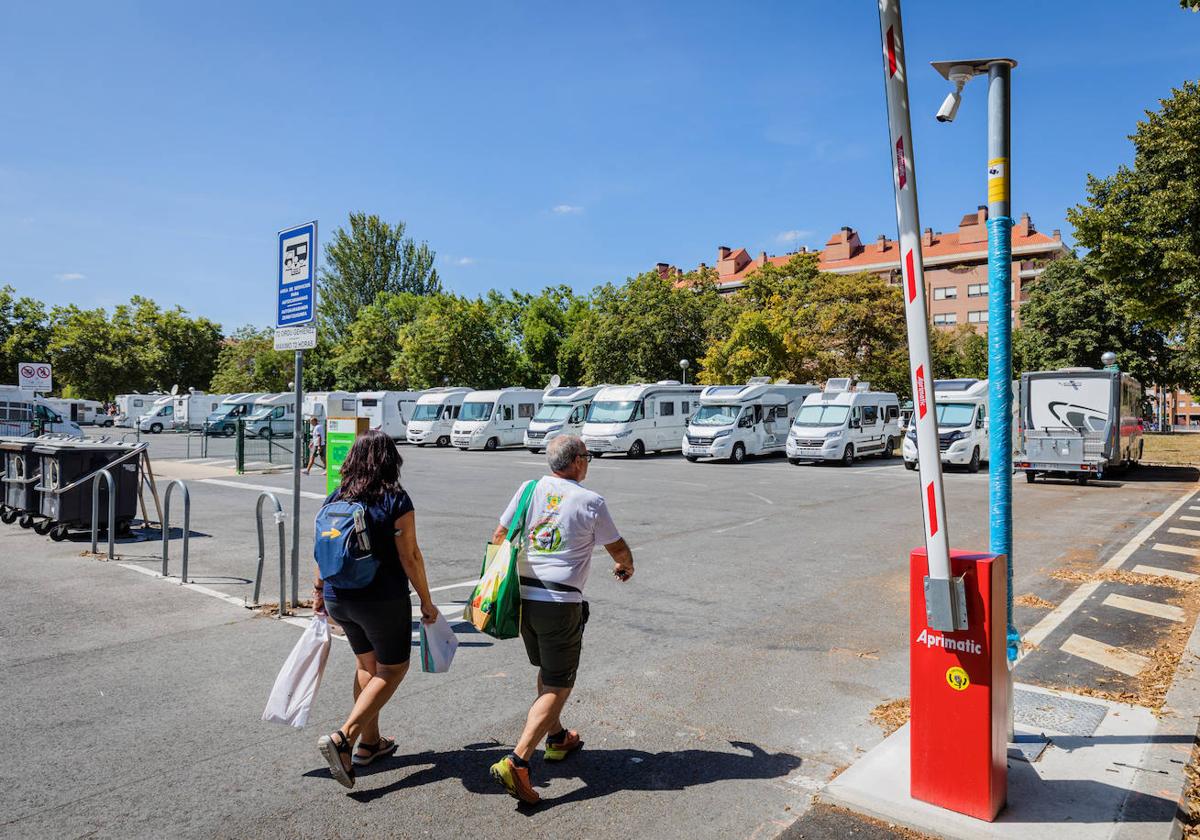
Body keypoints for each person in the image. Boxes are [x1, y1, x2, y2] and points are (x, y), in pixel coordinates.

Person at [488, 434, 635, 805]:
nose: (588, 462)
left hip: (521, 597)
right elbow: (616, 547)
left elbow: (500, 535)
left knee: (547, 670)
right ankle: (518, 761)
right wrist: (625, 565)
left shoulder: (528, 489)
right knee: (558, 683)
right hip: (559, 602)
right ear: (577, 462)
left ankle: (557, 738)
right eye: (588, 456)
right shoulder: (590, 501)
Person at [312, 430, 439, 789]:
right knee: (394, 668)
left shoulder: (335, 497)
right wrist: (427, 602)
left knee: (366, 665)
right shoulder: (395, 500)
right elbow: (410, 556)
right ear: (389, 460)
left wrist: (319, 591)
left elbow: (322, 550)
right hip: (380, 597)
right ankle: (345, 738)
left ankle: (369, 743)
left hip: (340, 596)